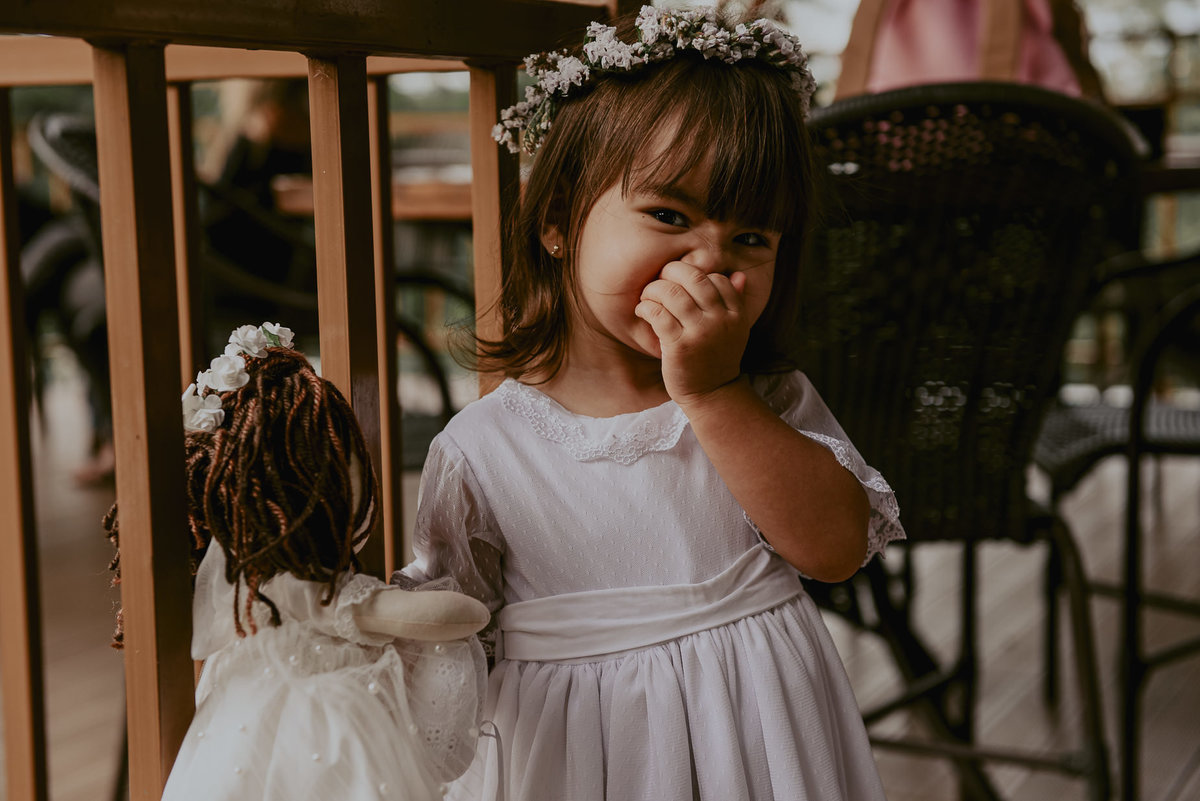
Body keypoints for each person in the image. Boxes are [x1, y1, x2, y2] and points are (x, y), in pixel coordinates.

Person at [397, 6, 905, 801]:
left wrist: (711, 391)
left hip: (762, 743)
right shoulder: (485, 448)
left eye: (752, 239)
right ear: (559, 219)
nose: (710, 262)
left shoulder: (760, 401)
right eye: (670, 216)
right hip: (580, 763)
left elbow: (836, 547)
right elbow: (446, 638)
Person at [105, 323, 489, 801]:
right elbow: (460, 616)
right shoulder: (309, 593)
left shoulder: (241, 593)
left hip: (235, 724)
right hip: (331, 727)